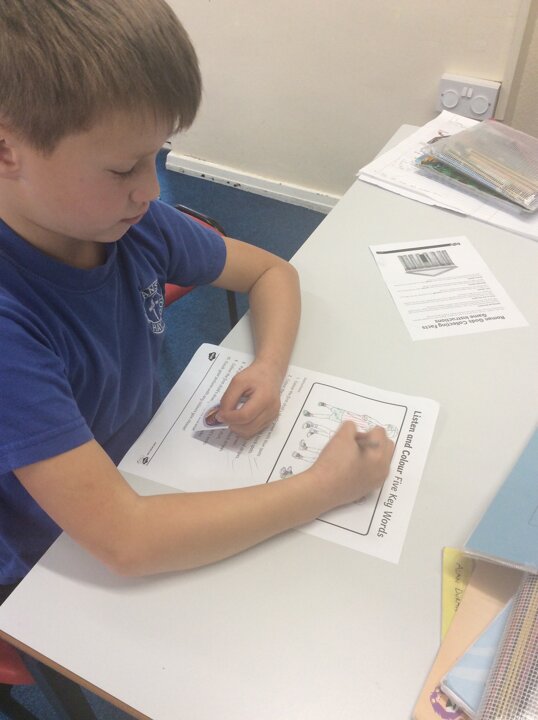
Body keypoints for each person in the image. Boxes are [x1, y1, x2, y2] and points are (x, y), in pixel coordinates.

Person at [0, 0, 393, 597]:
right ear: (8, 151)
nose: (150, 189)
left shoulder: (131, 224)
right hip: (50, 561)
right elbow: (125, 541)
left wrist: (268, 367)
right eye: (123, 168)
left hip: (145, 462)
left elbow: (272, 273)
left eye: (158, 156)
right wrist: (326, 486)